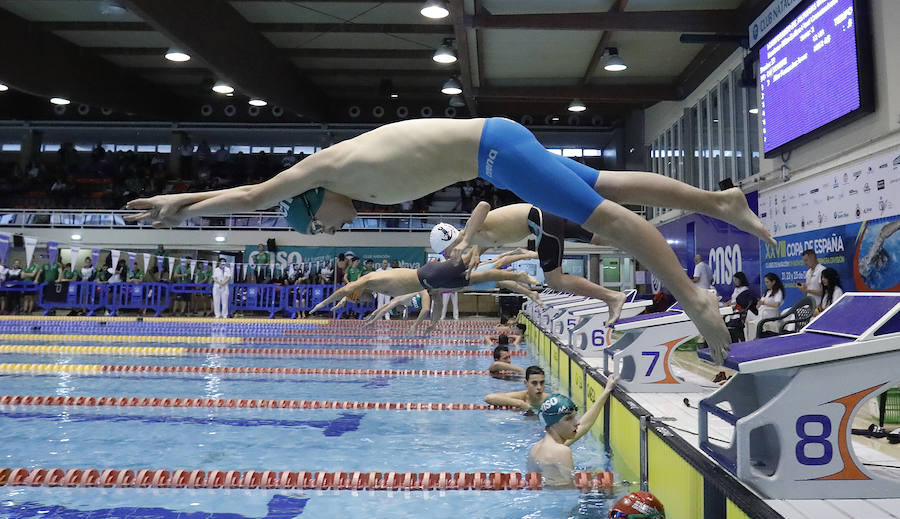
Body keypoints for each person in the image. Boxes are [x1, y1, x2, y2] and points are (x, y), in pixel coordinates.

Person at [125, 118, 777, 365]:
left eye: (321, 224)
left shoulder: (316, 170)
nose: (333, 227)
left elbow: (246, 198)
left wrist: (174, 201)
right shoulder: (336, 176)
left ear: (307, 202)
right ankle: (716, 201)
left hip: (494, 151)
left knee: (607, 218)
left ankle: (690, 296)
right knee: (605, 182)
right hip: (497, 147)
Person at [431, 206, 628, 324]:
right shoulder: (475, 238)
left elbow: (483, 205)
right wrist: (475, 251)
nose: (446, 255)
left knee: (555, 281)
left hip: (539, 221)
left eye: (443, 251)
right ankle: (639, 241)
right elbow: (484, 237)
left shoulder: (469, 231)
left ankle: (612, 297)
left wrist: (468, 245)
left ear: (448, 243)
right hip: (544, 216)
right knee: (600, 240)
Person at [310, 250, 540, 334]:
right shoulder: (372, 284)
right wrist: (430, 326)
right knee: (490, 274)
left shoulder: (370, 279)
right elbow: (352, 294)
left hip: (430, 275)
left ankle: (520, 257)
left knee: (487, 266)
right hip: (435, 279)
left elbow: (346, 289)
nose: (359, 299)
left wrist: (324, 304)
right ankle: (525, 280)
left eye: (356, 298)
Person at [526, 374, 619, 487]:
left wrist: (606, 392)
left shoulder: (536, 447)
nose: (577, 422)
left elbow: (584, 425)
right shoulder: (561, 451)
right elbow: (569, 492)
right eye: (569, 419)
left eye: (575, 417)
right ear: (553, 423)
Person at [483, 365, 548, 412]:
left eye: (542, 383)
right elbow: (488, 398)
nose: (539, 387)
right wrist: (520, 403)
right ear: (526, 383)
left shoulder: (549, 400)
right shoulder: (521, 396)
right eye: (534, 383)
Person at [746, 272, 785, 340]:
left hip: (770, 313)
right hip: (762, 312)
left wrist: (764, 303)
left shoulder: (778, 292)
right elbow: (760, 303)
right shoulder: (767, 292)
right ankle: (749, 338)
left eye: (767, 282)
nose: (766, 284)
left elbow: (777, 304)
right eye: (765, 282)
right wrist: (759, 304)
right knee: (749, 315)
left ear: (773, 282)